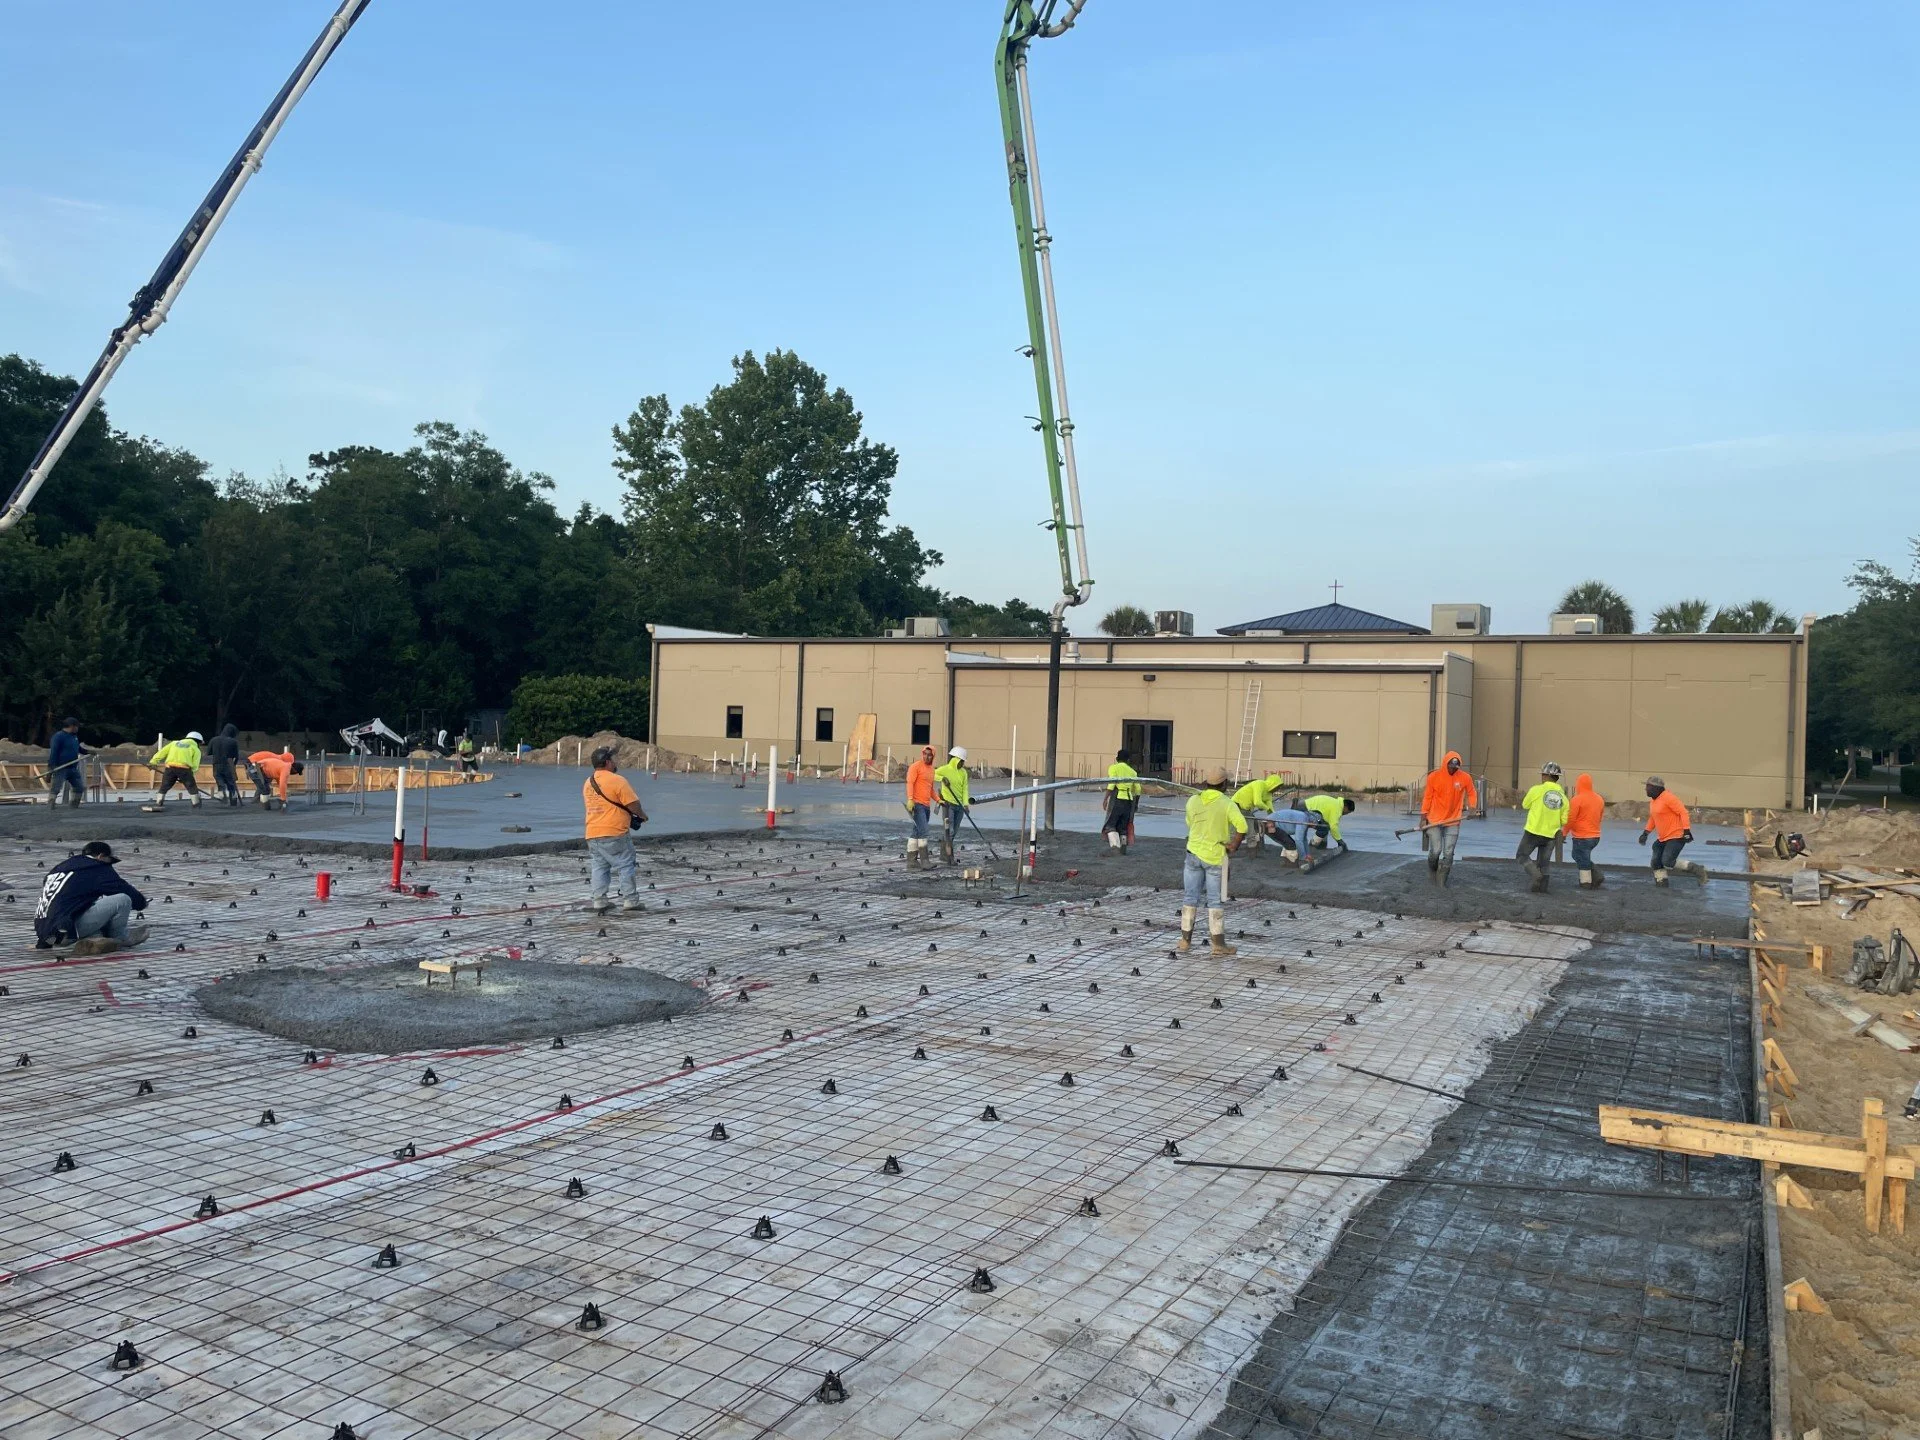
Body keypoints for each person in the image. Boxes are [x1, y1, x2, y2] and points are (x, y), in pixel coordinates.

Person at [34, 841, 150, 956]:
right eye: (109, 861)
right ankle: (121, 939)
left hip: (47, 936)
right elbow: (125, 890)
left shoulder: (60, 869)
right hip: (65, 931)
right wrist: (142, 903)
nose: (109, 865)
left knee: (88, 906)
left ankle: (94, 940)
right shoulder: (96, 867)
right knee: (123, 900)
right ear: (100, 856)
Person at [1180, 767, 1246, 956]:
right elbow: (1242, 827)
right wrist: (1234, 845)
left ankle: (1185, 941)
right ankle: (1218, 945)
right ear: (1224, 784)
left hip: (1193, 853)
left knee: (1190, 897)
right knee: (1214, 900)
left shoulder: (1193, 800)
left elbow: (1189, 823)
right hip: (1215, 856)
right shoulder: (1227, 803)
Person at [584, 745, 649, 912]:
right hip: (614, 832)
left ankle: (599, 901)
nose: (615, 762)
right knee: (626, 864)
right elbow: (632, 803)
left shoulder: (589, 782)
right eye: (613, 760)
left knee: (599, 867)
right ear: (607, 762)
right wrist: (641, 815)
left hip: (592, 832)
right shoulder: (617, 780)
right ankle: (630, 901)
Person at [1419, 750, 1478, 886]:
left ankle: (1441, 881)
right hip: (1434, 819)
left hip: (1453, 820)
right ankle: (1432, 867)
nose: (1453, 769)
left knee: (1449, 853)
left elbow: (1472, 792)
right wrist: (1423, 817)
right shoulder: (1434, 777)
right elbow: (1427, 797)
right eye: (1450, 766)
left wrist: (1472, 807)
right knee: (1436, 850)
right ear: (1446, 764)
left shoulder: (1464, 778)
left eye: (1455, 767)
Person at [1639, 775, 1704, 886]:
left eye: (1648, 786)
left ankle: (1696, 869)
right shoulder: (1654, 801)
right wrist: (1645, 833)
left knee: (1667, 861)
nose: (1646, 789)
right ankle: (1662, 882)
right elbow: (1653, 818)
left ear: (1656, 788)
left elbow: (1683, 812)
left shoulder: (1669, 798)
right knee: (1655, 861)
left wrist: (1686, 831)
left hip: (1676, 836)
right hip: (1663, 837)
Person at [1516, 762, 1568, 892]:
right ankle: (1542, 889)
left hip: (1533, 831)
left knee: (1522, 856)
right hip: (1551, 834)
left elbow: (1525, 805)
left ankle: (1535, 875)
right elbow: (1564, 819)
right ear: (1557, 778)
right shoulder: (1563, 797)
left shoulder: (1536, 790)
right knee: (1544, 863)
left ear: (1545, 776)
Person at [1567, 772, 1605, 887]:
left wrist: (1564, 832)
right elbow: (1600, 817)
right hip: (1595, 836)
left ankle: (1586, 882)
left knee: (1582, 857)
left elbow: (1571, 819)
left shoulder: (1576, 800)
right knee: (1578, 855)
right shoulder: (1599, 799)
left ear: (1579, 785)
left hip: (1582, 837)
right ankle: (1596, 874)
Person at [1232, 773, 1288, 851]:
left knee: (1257, 827)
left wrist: (1275, 821)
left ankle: (1255, 847)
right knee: (1250, 829)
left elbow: (1270, 810)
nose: (1277, 789)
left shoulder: (1268, 794)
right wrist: (1264, 807)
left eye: (1279, 788)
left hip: (1247, 809)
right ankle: (1251, 849)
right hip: (1236, 805)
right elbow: (1257, 802)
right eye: (1277, 787)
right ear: (1272, 784)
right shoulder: (1259, 784)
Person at [149, 731, 205, 807]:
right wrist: (189, 775)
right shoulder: (195, 749)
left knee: (164, 786)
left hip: (170, 768)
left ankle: (159, 801)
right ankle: (196, 804)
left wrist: (153, 762)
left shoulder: (174, 743)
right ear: (197, 741)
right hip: (184, 769)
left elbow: (162, 752)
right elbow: (195, 765)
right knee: (191, 787)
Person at [935, 746, 971, 863]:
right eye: (961, 761)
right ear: (956, 759)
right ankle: (948, 856)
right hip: (948, 804)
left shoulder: (963, 773)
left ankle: (945, 852)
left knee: (954, 830)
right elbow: (931, 775)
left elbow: (965, 789)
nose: (963, 763)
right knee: (949, 830)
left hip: (959, 806)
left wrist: (965, 804)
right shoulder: (944, 769)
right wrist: (942, 778)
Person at [904, 744, 938, 867]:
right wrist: (910, 799)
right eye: (925, 754)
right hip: (917, 804)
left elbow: (931, 789)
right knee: (923, 831)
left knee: (916, 832)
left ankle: (911, 861)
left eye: (929, 755)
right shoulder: (915, 767)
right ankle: (924, 861)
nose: (927, 757)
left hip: (926, 805)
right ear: (922, 754)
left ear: (933, 756)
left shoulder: (932, 770)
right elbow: (910, 783)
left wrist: (938, 800)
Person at [1103, 749, 1142, 853]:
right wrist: (1136, 804)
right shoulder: (1132, 772)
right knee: (1123, 827)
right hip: (1128, 801)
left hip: (1117, 799)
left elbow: (1111, 784)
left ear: (1117, 759)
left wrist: (1105, 799)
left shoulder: (1113, 768)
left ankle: (1115, 847)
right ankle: (1123, 847)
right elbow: (1138, 790)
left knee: (1110, 825)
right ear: (1128, 760)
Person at [47, 717, 87, 808]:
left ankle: (74, 804)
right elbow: (54, 752)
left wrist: (87, 752)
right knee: (56, 787)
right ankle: (51, 803)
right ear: (72, 726)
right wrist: (51, 766)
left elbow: (78, 748)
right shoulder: (58, 736)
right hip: (61, 767)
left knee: (79, 787)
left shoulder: (74, 737)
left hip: (72, 767)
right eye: (77, 726)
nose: (78, 728)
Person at [207, 723, 243, 807]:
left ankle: (221, 792)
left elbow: (209, 753)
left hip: (216, 763)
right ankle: (233, 799)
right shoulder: (233, 741)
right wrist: (233, 766)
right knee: (231, 782)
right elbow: (236, 756)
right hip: (228, 764)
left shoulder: (214, 740)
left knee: (219, 779)